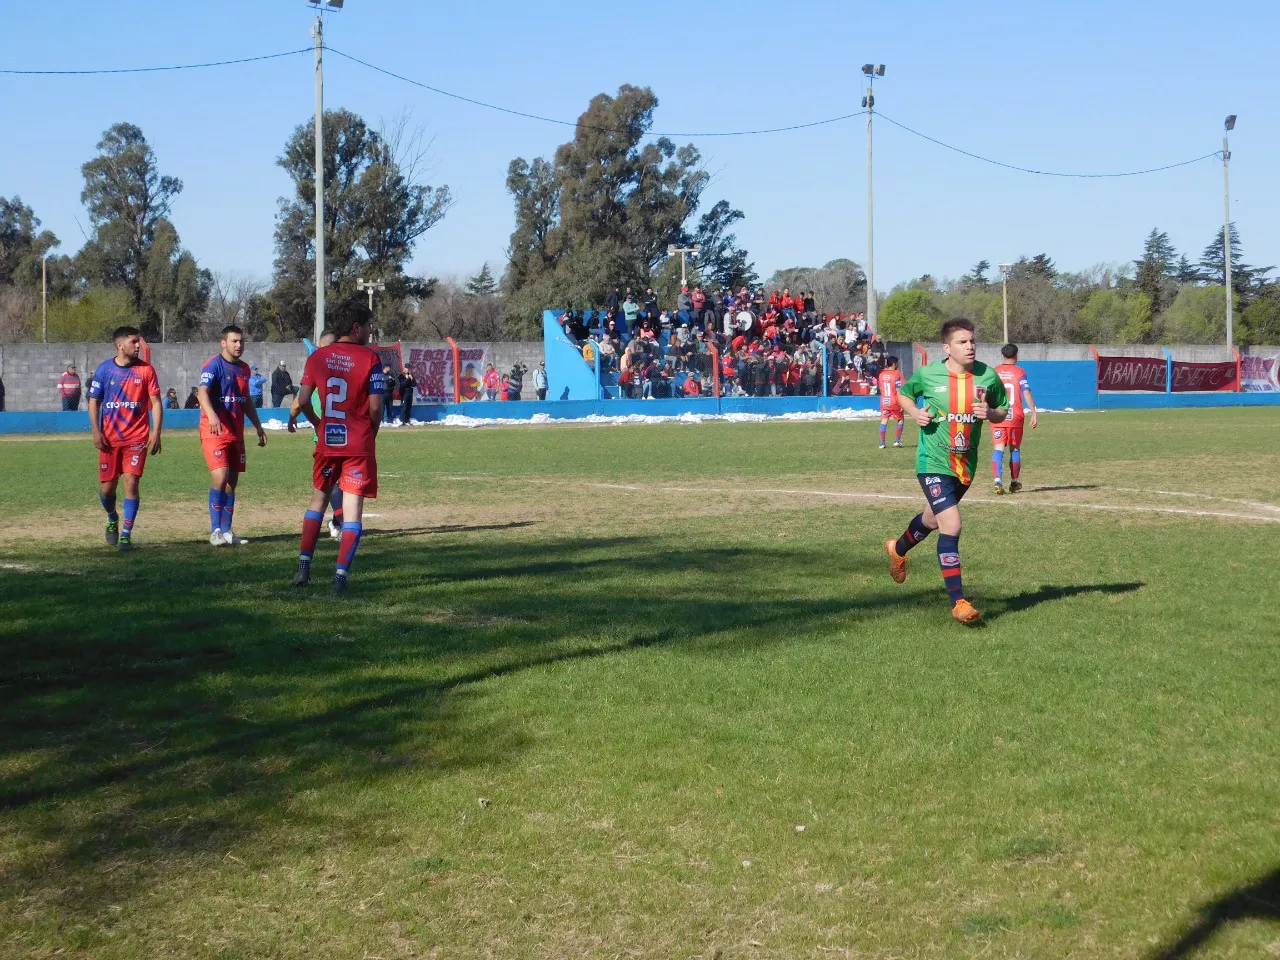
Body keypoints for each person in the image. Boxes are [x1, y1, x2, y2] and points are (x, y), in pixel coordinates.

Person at [883, 318, 1009, 624]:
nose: (970, 346)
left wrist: (989, 413)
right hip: (933, 462)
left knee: (932, 519)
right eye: (962, 342)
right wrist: (914, 413)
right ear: (946, 347)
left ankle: (897, 549)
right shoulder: (928, 374)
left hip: (965, 465)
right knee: (951, 525)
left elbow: (1002, 410)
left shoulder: (987, 376)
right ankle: (959, 602)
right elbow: (904, 394)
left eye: (972, 341)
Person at [288, 311, 385, 595]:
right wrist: (372, 432)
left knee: (318, 500)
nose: (369, 331)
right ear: (356, 327)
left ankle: (303, 568)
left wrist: (319, 424)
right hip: (358, 443)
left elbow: (303, 400)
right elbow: (376, 408)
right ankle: (340, 579)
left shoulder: (317, 357)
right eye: (367, 326)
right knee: (353, 512)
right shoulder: (370, 359)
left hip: (328, 442)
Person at [87, 326, 163, 551]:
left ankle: (126, 536)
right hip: (110, 440)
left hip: (136, 438)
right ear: (120, 345)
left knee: (131, 482)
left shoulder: (146, 370)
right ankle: (112, 517)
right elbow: (94, 401)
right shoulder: (104, 370)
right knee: (107, 490)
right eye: (133, 342)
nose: (138, 346)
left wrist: (156, 431)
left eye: (139, 342)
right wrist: (96, 431)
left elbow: (156, 402)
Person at [198, 324, 268, 547]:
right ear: (223, 343)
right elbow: (201, 393)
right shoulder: (214, 365)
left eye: (241, 341)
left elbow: (245, 399)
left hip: (236, 432)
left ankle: (227, 531)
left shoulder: (244, 369)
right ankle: (215, 531)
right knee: (220, 477)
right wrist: (212, 416)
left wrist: (258, 427)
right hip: (215, 431)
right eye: (234, 341)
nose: (238, 345)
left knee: (232, 482)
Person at [992, 344, 1038, 494]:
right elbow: (1026, 392)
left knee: (998, 448)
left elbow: (988, 392)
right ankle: (1014, 482)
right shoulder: (1020, 372)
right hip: (1015, 416)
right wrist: (1033, 412)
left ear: (1002, 355)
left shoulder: (995, 372)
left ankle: (997, 481)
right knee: (1015, 448)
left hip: (998, 415)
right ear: (1017, 355)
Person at [878, 355, 906, 449]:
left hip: (884, 401)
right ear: (894, 364)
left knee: (884, 420)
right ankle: (897, 441)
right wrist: (902, 402)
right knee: (900, 419)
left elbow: (880, 387)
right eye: (897, 363)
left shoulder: (881, 374)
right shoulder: (896, 374)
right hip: (894, 401)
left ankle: (882, 443)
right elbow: (898, 389)